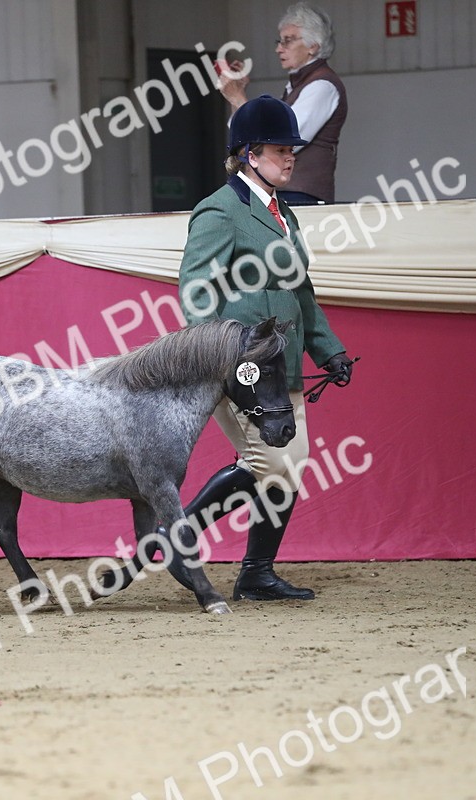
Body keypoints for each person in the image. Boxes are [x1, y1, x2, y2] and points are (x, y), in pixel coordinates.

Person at [175, 94, 354, 600]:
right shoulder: (220, 210)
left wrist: (327, 350)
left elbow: (300, 291)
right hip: (244, 366)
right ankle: (178, 532)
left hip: (286, 364)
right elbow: (196, 291)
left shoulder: (284, 214)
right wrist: (219, 359)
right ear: (250, 154)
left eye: (292, 149)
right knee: (268, 462)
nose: (291, 157)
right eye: (280, 150)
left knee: (290, 467)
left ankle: (256, 573)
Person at [218, 2, 346, 205]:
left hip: (301, 196)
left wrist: (237, 98)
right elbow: (251, 137)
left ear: (313, 46)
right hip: (287, 193)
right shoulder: (300, 84)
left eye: (288, 41)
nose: (279, 48)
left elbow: (280, 138)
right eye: (279, 41)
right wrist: (239, 96)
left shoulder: (322, 85)